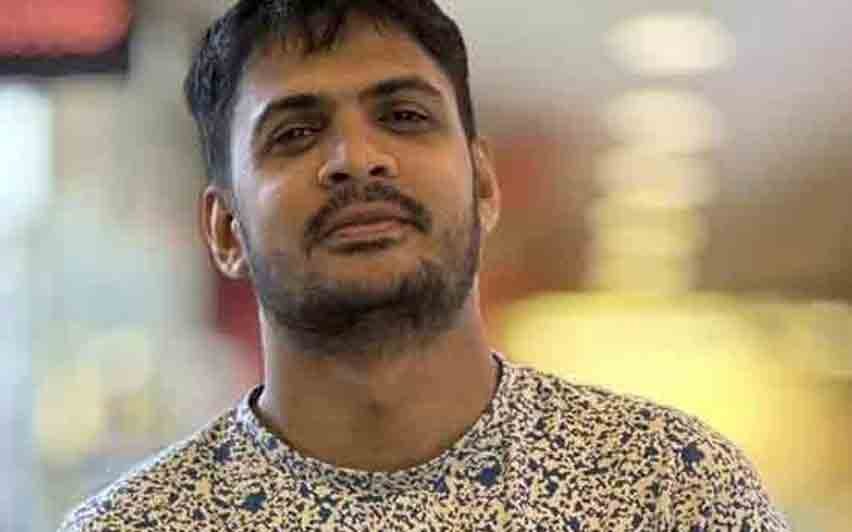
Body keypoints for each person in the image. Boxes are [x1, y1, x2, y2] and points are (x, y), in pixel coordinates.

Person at [59, 1, 791, 530]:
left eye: (404, 116)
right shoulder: (137, 524)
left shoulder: (670, 491)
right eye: (296, 133)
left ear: (484, 185)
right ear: (225, 229)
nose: (356, 158)